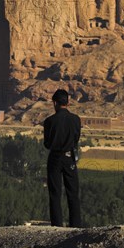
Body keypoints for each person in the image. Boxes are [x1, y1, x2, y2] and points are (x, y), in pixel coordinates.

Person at [44, 89, 81, 227]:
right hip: (69, 157)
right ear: (68, 102)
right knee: (73, 192)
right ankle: (75, 225)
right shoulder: (75, 119)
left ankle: (57, 225)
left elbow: (47, 143)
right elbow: (76, 138)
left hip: (54, 158)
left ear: (54, 103)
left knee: (55, 193)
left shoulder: (49, 121)